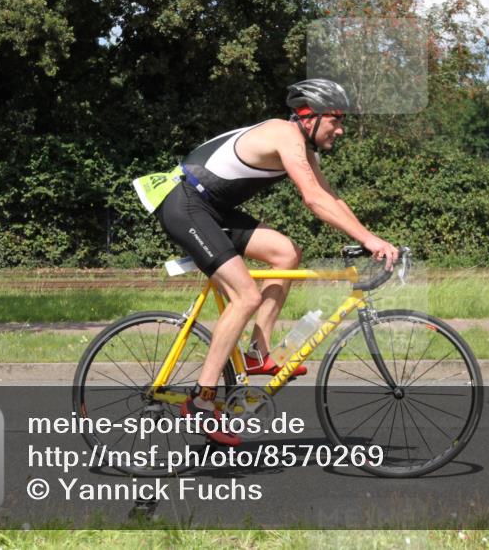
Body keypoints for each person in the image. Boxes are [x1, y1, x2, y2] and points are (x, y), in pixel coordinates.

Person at [133, 78, 398, 445]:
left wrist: (371, 238)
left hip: (212, 209)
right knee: (246, 296)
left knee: (286, 253)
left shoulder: (303, 149)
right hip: (186, 204)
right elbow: (312, 200)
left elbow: (330, 198)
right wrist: (368, 240)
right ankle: (201, 400)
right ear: (309, 117)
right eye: (335, 120)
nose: (340, 130)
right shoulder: (284, 134)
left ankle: (258, 352)